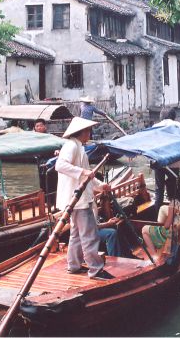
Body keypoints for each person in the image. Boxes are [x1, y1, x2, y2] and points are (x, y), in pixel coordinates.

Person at [55, 117, 114, 280]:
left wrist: (101, 186)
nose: (90, 133)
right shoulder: (71, 146)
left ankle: (73, 265)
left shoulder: (78, 147)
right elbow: (60, 166)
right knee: (89, 235)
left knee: (76, 234)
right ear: (82, 132)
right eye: (88, 130)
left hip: (78, 198)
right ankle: (95, 269)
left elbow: (87, 174)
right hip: (78, 200)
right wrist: (83, 173)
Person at [142, 177, 180, 263]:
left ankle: (154, 255)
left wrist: (164, 222)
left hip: (174, 233)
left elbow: (167, 225)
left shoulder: (173, 204)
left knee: (144, 229)